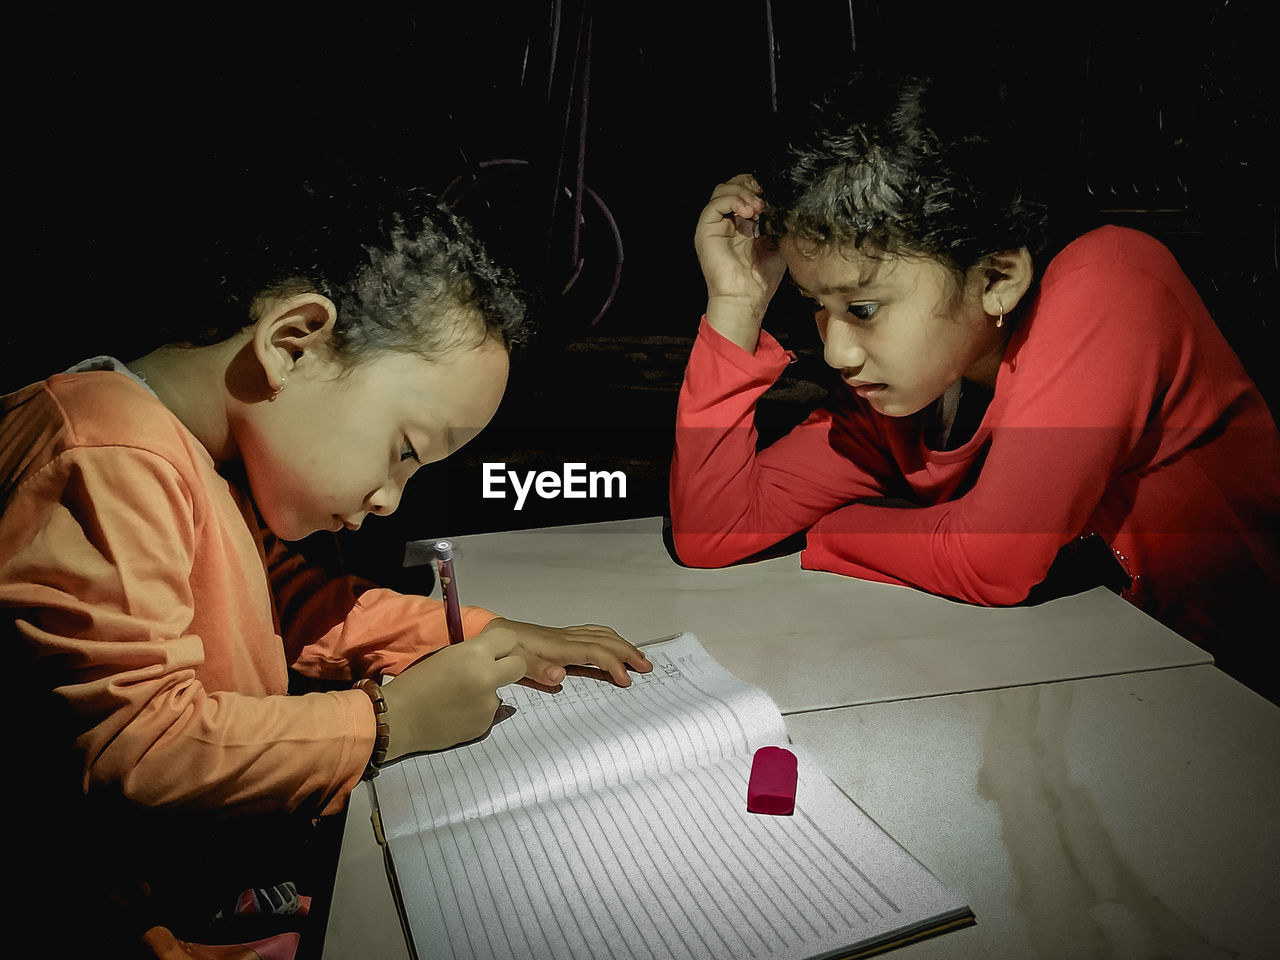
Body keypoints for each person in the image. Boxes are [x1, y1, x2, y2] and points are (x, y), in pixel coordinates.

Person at [0, 184, 651, 955]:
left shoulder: (198, 461)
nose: (390, 500)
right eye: (404, 451)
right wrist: (385, 721)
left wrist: (487, 631)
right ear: (295, 343)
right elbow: (136, 746)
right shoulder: (108, 458)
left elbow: (294, 605)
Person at [671, 64, 1280, 681]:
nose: (836, 354)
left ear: (996, 279)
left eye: (862, 308)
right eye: (816, 307)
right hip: (1094, 686)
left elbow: (995, 559)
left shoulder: (1111, 283)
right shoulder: (898, 397)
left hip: (1237, 699)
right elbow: (714, 531)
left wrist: (831, 532)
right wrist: (737, 304)